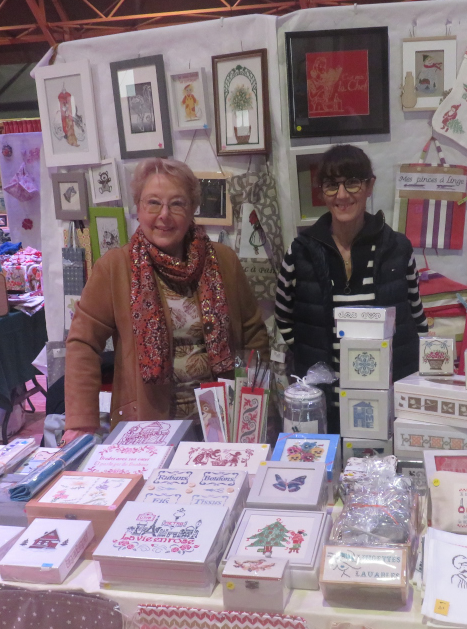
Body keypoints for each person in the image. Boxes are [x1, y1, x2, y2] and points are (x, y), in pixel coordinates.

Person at [63, 158, 268, 441]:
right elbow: (83, 343)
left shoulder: (224, 261)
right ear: (138, 208)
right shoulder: (114, 268)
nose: (164, 215)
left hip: (223, 422)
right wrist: (81, 422)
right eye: (153, 203)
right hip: (148, 423)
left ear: (192, 209)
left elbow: (254, 334)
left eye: (177, 204)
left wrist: (254, 403)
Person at [275, 144, 427, 432]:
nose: (342, 195)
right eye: (332, 185)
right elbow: (284, 317)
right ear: (322, 192)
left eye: (353, 182)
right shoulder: (300, 252)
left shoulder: (398, 248)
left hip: (386, 402)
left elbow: (416, 316)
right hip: (323, 404)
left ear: (369, 186)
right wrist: (313, 354)